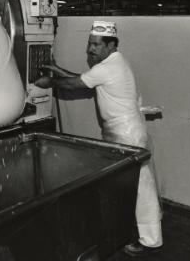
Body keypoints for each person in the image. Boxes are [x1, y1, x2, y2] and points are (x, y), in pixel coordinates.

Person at [35, 20, 163, 257]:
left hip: (127, 133)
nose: (90, 49)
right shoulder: (112, 64)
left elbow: (76, 84)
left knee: (139, 187)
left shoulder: (109, 67)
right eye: (89, 44)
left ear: (111, 45)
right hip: (124, 131)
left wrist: (49, 82)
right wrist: (57, 69)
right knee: (129, 185)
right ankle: (128, 232)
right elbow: (85, 78)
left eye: (96, 45)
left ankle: (148, 239)